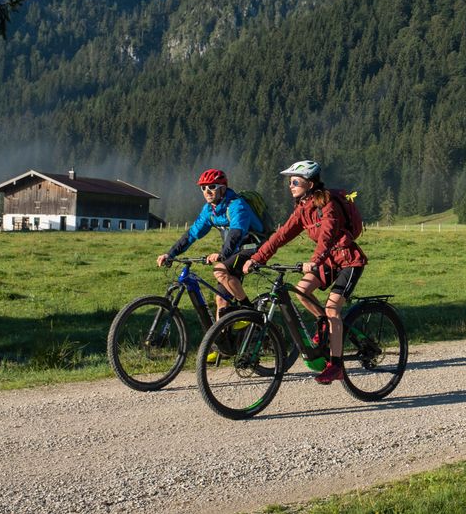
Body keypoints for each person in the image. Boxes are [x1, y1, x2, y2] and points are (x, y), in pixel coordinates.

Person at [247, 160, 366, 384]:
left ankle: (336, 366)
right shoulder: (302, 209)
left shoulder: (327, 204)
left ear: (309, 183)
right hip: (329, 261)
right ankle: (324, 324)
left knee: (332, 309)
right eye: (289, 182)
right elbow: (280, 236)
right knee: (301, 291)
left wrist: (314, 261)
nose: (290, 185)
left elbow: (327, 236)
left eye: (295, 181)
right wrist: (257, 258)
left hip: (348, 260)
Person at [157, 168, 265, 319]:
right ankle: (221, 340)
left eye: (212, 187)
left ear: (223, 188)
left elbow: (236, 233)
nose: (207, 191)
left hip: (253, 248)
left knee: (219, 270)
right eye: (203, 188)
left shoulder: (237, 205)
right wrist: (170, 253)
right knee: (221, 300)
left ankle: (250, 310)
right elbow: (192, 234)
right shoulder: (210, 211)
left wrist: (222, 255)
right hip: (234, 251)